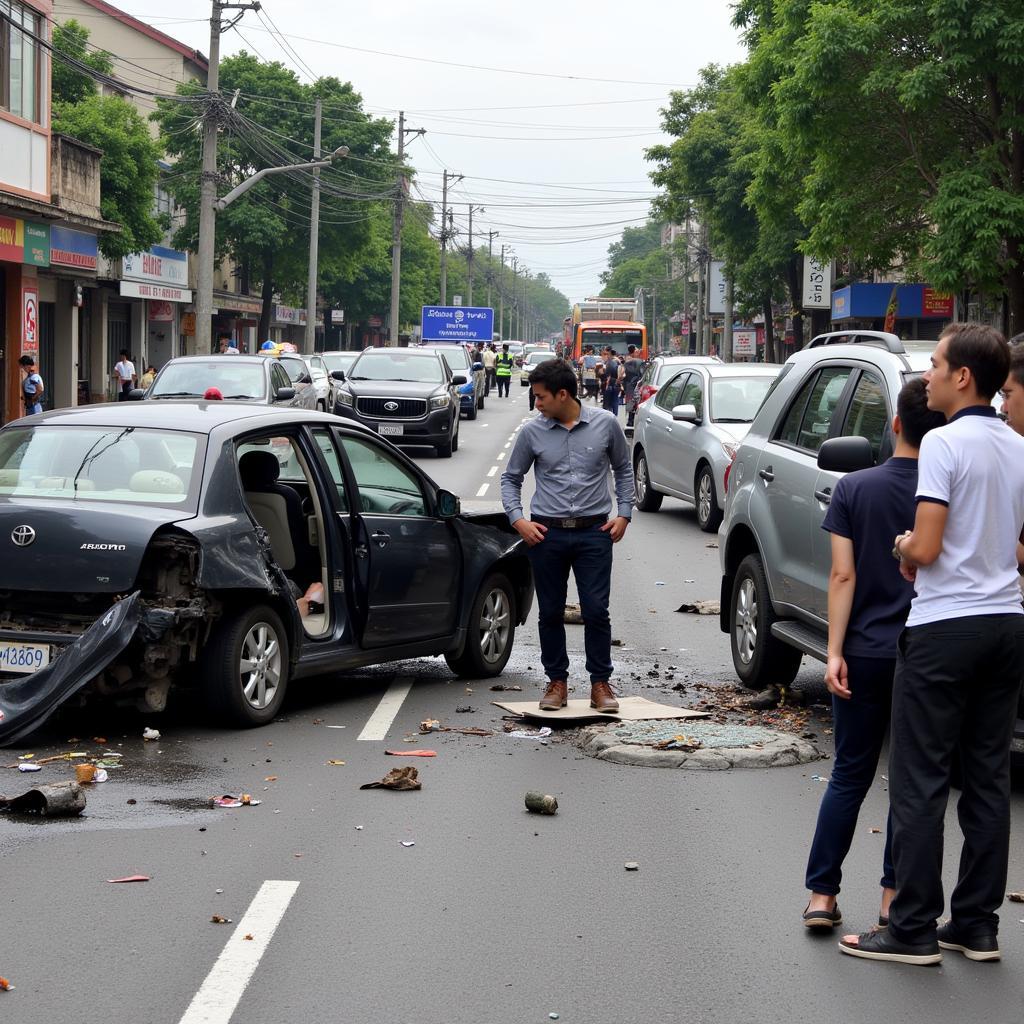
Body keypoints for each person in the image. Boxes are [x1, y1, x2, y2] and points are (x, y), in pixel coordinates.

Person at [840, 323, 1024, 966]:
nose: (931, 375)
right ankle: (976, 924)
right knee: (986, 777)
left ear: (963, 378)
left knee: (919, 779)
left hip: (945, 626)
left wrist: (900, 547)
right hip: (1006, 623)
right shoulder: (1018, 447)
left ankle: (912, 927)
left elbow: (925, 546)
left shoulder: (944, 444)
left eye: (938, 364)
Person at [803, 379, 945, 932]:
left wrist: (833, 651)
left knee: (849, 774)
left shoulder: (854, 489)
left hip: (863, 650)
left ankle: (821, 895)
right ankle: (892, 899)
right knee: (911, 781)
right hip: (927, 652)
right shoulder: (947, 492)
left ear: (894, 425)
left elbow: (843, 574)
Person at [500, 359, 634, 714]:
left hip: (595, 533)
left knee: (596, 610)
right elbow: (511, 478)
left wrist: (624, 514)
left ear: (563, 394)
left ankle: (600, 684)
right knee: (550, 613)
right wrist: (518, 520)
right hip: (547, 536)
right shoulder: (532, 432)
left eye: (541, 396)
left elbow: (623, 469)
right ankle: (556, 681)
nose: (537, 403)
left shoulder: (605, 425)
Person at [622, 345, 645, 428]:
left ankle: (630, 420)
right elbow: (643, 374)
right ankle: (633, 420)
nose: (639, 352)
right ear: (634, 352)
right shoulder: (639, 362)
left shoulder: (626, 361)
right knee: (637, 402)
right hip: (637, 385)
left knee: (630, 402)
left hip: (629, 385)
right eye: (637, 351)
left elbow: (622, 375)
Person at [601, 347, 623, 416]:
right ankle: (615, 415)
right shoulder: (619, 361)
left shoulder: (609, 363)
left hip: (610, 384)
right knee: (615, 400)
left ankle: (609, 415)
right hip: (617, 383)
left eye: (607, 354)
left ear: (610, 354)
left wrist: (606, 385)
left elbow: (608, 375)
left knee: (608, 401)